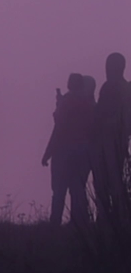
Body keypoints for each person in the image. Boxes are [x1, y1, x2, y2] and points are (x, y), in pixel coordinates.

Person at [42, 73, 94, 226]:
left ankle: (55, 224)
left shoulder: (66, 102)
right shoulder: (88, 103)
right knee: (77, 189)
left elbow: (58, 129)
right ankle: (79, 223)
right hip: (83, 150)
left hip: (63, 151)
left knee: (59, 190)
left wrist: (47, 153)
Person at [92, 53, 130, 225]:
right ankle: (117, 215)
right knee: (115, 179)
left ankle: (107, 217)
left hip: (107, 139)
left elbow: (99, 114)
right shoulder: (127, 88)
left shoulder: (110, 87)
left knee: (104, 179)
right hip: (120, 140)